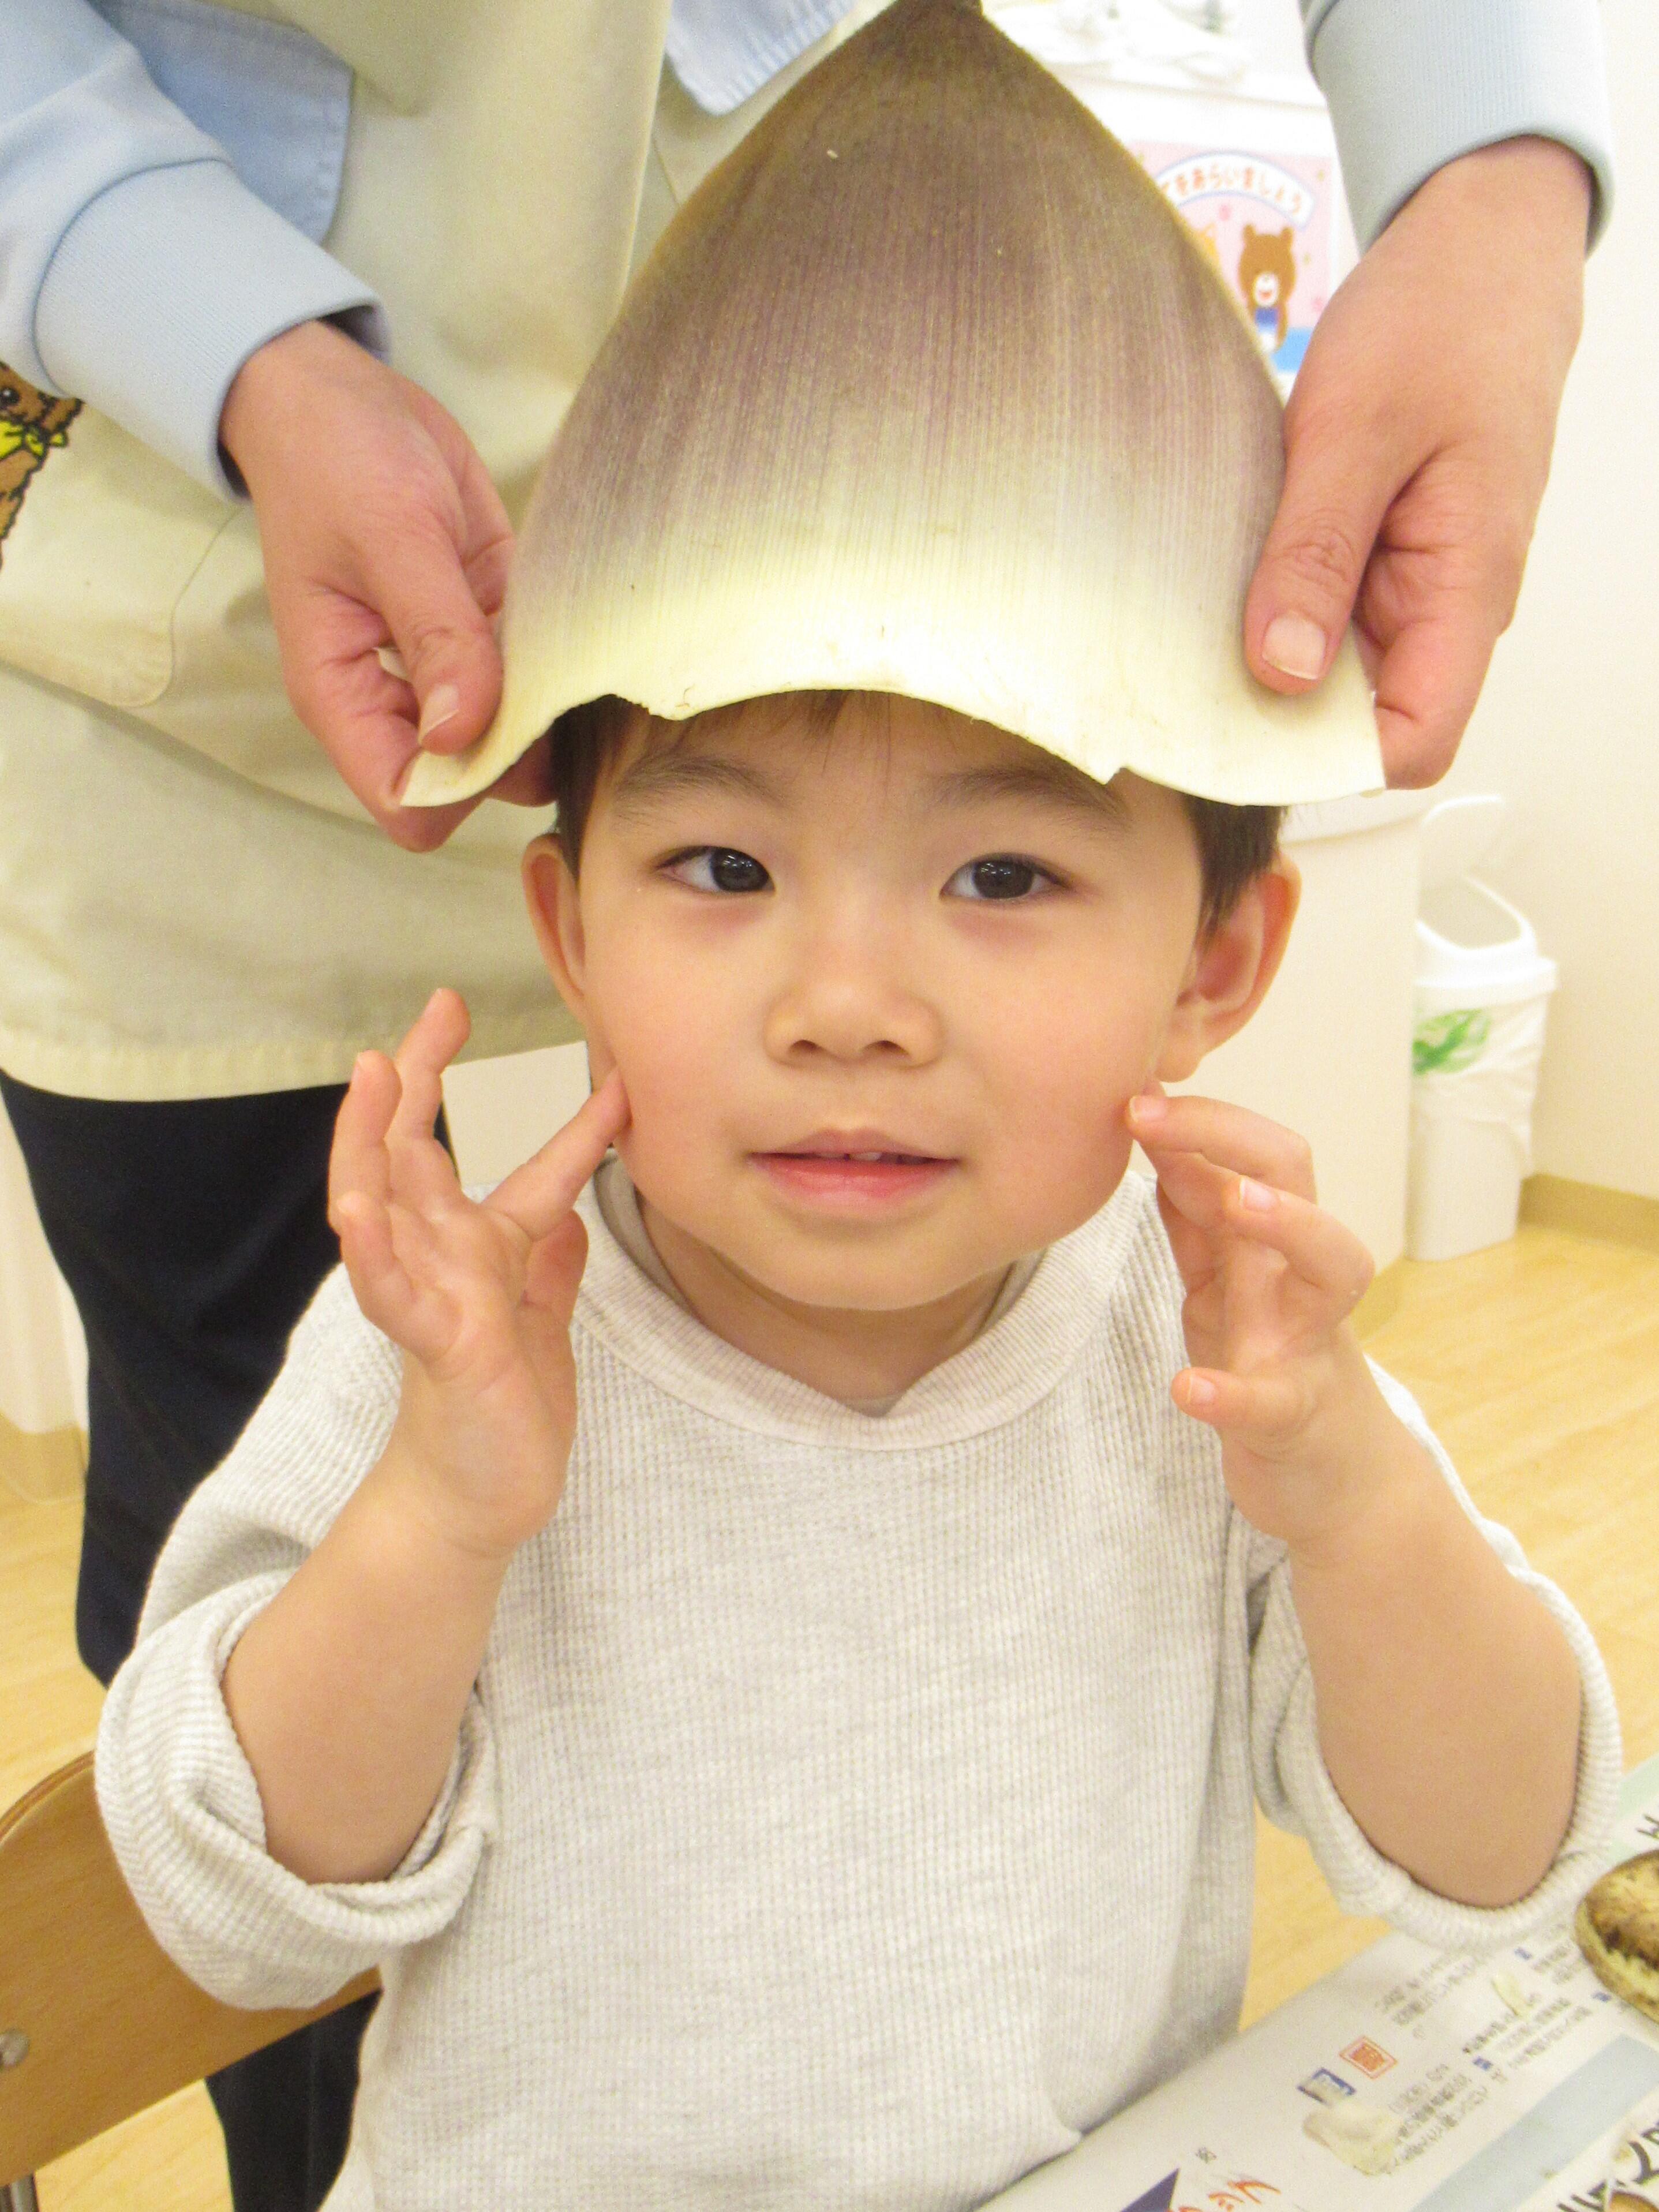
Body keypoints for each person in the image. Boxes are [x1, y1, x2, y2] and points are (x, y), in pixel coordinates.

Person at [0, 0, 1613, 2205]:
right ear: (568, 937)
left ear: (1213, 968)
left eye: (1005, 872)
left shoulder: (1214, 1362)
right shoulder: (463, 1351)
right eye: (726, 868)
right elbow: (232, 1906)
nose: (847, 1002)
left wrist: (1349, 1497)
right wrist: (441, 1515)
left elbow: (1505, 1847)